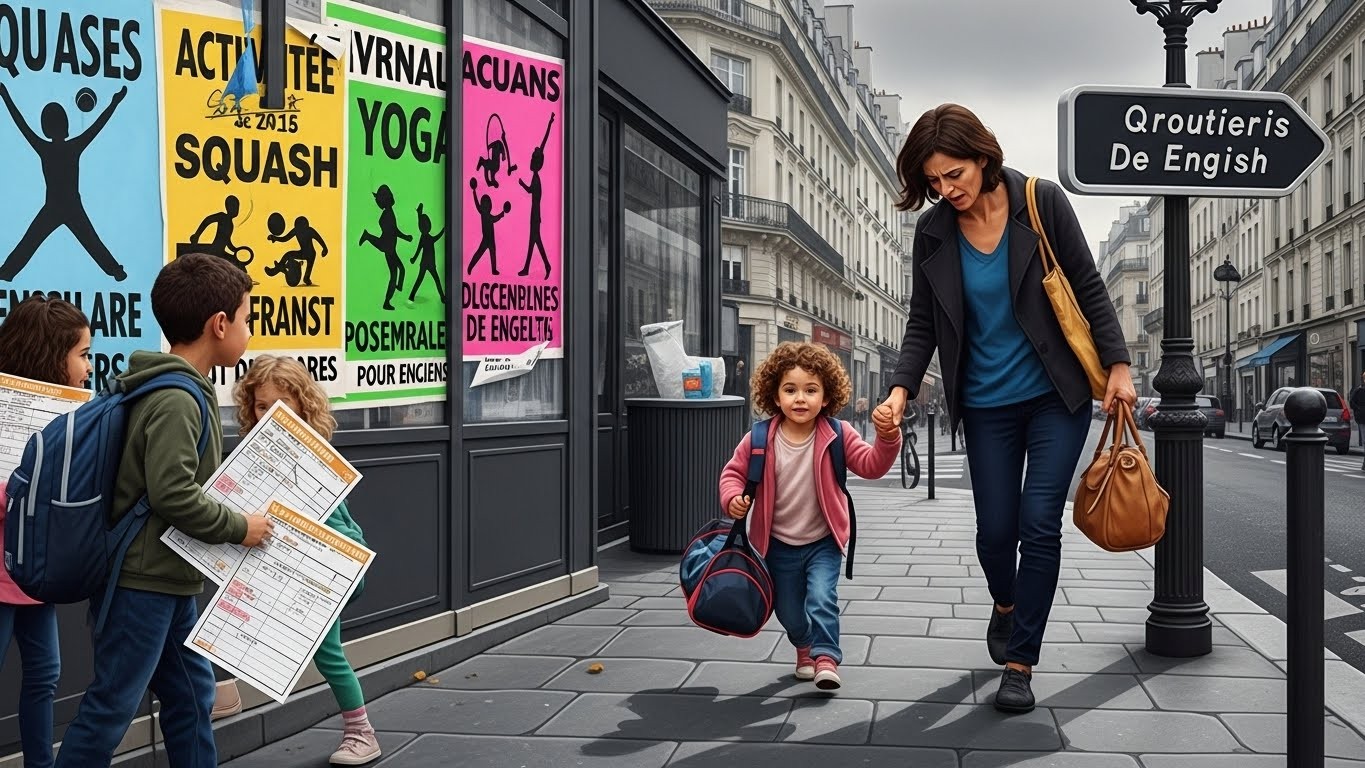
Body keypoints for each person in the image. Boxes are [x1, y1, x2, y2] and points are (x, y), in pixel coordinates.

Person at [872, 104, 1134, 715]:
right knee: (994, 532)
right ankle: (1005, 603)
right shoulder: (933, 231)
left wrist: (1119, 365)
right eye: (933, 180)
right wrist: (899, 389)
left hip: (1055, 397)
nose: (946, 189)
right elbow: (922, 322)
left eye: (954, 174)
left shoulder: (1040, 202)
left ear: (983, 157)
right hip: (985, 404)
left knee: (1039, 522)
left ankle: (1021, 662)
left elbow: (1088, 285)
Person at [53, 254, 275, 767]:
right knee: (111, 709)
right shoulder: (177, 398)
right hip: (143, 582)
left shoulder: (174, 388)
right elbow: (173, 494)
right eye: (246, 319)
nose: (249, 331)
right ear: (219, 325)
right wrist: (239, 527)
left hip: (169, 578)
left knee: (191, 697)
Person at [209, 355, 380, 764]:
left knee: (327, 653)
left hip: (326, 567)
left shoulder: (312, 457)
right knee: (236, 625)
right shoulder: (256, 456)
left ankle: (362, 733)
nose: (270, 413)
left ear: (303, 405)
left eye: (282, 404)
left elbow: (343, 526)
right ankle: (220, 694)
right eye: (261, 405)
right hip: (284, 566)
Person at [720, 342, 900, 690]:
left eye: (810, 390)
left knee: (821, 597)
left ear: (826, 395)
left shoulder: (838, 434)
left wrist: (888, 437)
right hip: (776, 544)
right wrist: (732, 499)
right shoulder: (759, 438)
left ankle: (826, 658)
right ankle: (804, 646)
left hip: (823, 541)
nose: (800, 398)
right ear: (775, 396)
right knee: (787, 611)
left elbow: (872, 466)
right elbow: (733, 474)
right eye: (790, 390)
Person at [0, 295, 93, 768]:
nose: (89, 368)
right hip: (4, 575)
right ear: (51, 355)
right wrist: (25, 491)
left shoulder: (71, 417)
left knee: (45, 675)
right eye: (83, 354)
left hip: (35, 572)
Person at [1351, 370, 1365, 450]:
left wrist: (1358, 409)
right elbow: (1352, 402)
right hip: (1361, 416)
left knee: (1363, 436)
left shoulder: (1358, 390)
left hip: (1361, 416)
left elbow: (1352, 402)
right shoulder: (1358, 390)